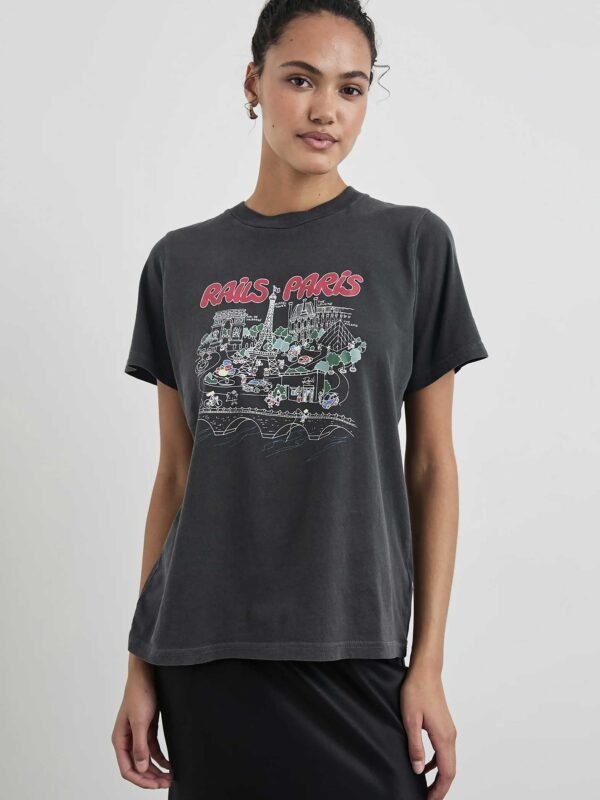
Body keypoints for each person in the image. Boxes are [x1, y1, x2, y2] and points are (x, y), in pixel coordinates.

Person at [111, 2, 489, 798]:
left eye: (351, 88)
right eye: (300, 80)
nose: (326, 110)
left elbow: (431, 466)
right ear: (254, 83)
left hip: (354, 643)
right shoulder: (179, 263)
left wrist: (427, 664)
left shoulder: (414, 245)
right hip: (205, 654)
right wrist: (140, 665)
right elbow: (175, 476)